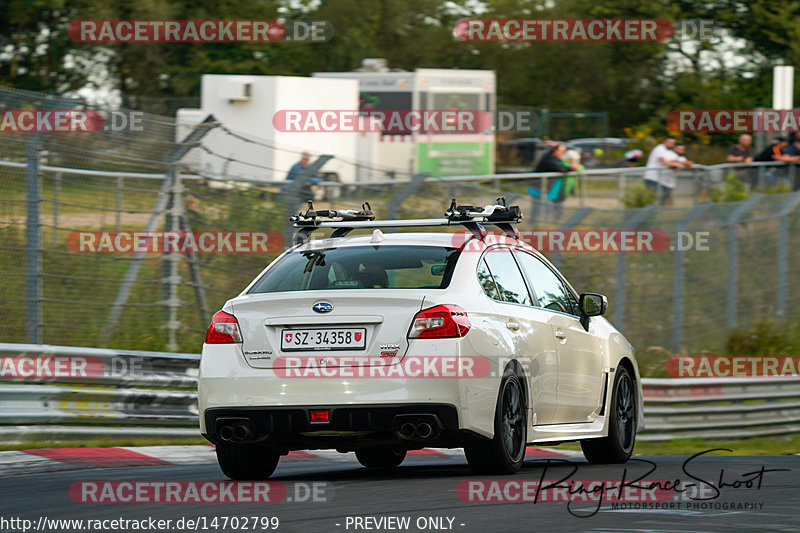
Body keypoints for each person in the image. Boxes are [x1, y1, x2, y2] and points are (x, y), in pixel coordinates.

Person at [644, 137, 683, 204]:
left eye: (673, 143)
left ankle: (656, 213)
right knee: (655, 200)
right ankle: (650, 213)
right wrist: (676, 164)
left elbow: (673, 161)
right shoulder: (660, 149)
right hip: (652, 178)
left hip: (660, 180)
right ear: (664, 142)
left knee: (662, 200)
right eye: (669, 142)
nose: (671, 144)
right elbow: (664, 162)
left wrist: (677, 164)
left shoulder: (667, 151)